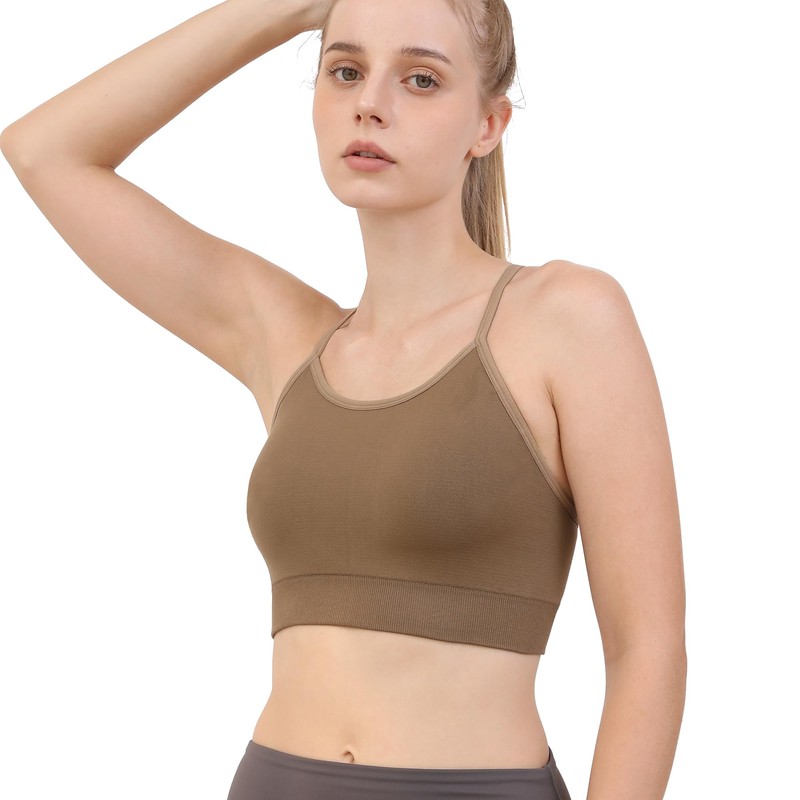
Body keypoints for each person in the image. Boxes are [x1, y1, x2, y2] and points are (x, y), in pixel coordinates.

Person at [0, 0, 687, 798]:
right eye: (346, 70)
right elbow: (43, 150)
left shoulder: (567, 318)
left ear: (488, 125)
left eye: (421, 79)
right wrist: (283, 10)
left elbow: (647, 650)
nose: (370, 103)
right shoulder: (288, 339)